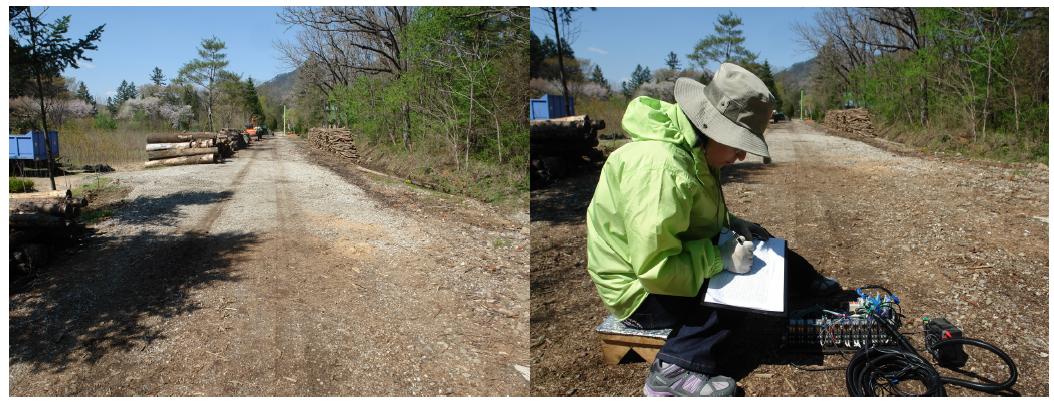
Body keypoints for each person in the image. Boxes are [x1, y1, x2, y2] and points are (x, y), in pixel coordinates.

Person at [585, 63, 840, 397]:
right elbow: (654, 269)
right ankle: (672, 373)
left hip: (666, 264)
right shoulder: (660, 166)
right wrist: (718, 259)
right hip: (639, 291)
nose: (741, 154)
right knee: (737, 292)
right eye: (737, 144)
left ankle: (806, 283)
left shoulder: (693, 147)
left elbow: (690, 211)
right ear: (711, 127)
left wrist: (732, 223)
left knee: (759, 243)